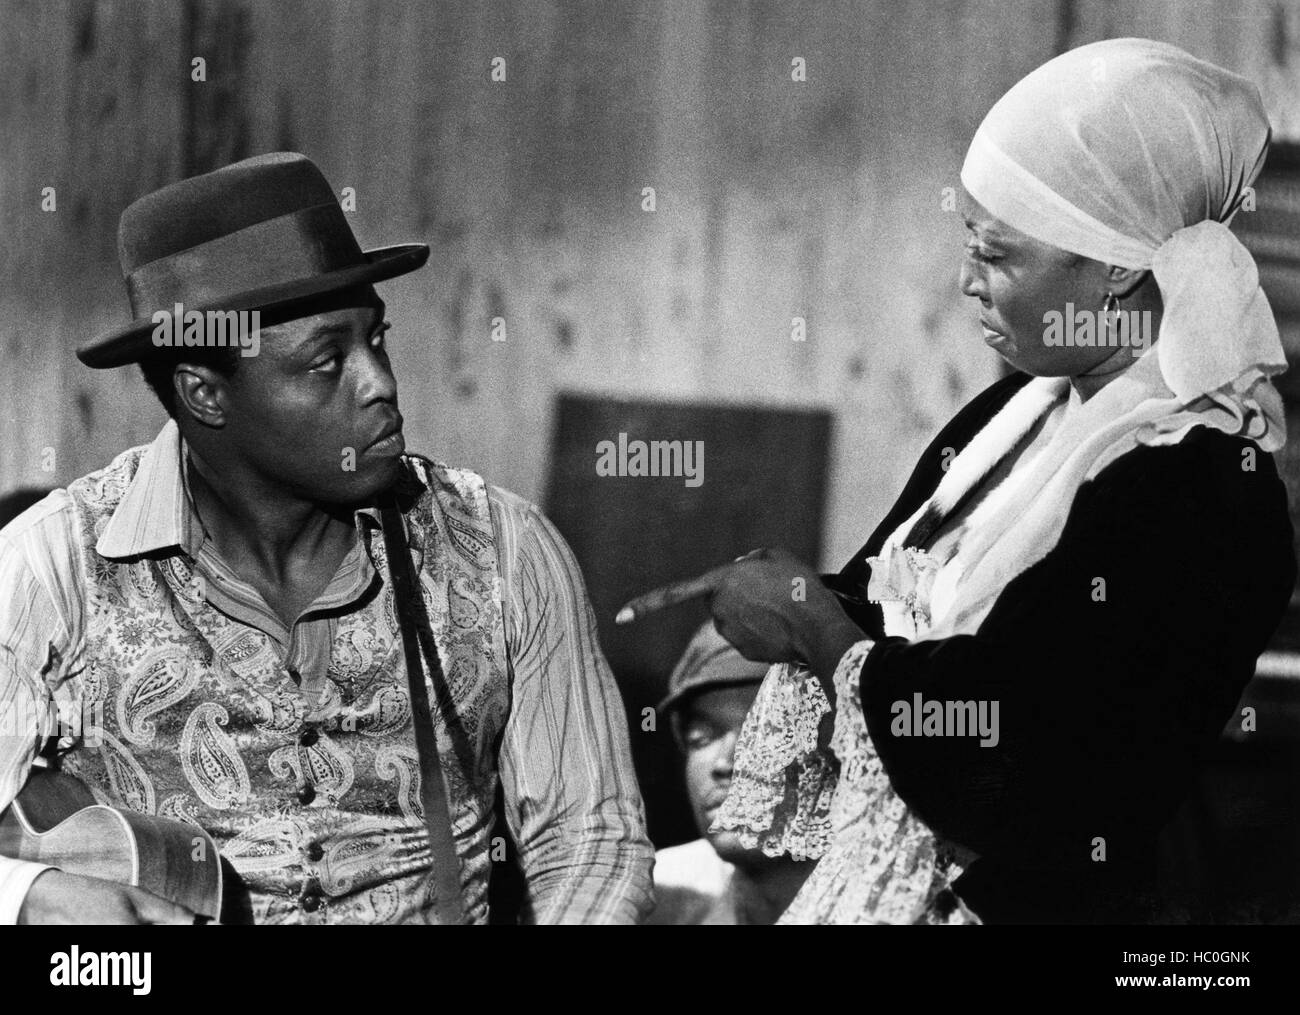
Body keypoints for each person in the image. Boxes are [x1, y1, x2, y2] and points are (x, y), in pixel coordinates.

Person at [619, 38, 1295, 924]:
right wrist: (796, 595)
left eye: (999, 254)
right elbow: (898, 601)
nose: (967, 281)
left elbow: (1013, 748)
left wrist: (817, 630)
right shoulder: (1017, 413)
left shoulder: (1196, 483)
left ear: (1119, 264)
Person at [0, 152, 653, 925]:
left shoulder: (506, 548)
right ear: (204, 393)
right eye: (327, 361)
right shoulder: (52, 566)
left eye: (376, 338)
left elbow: (592, 840)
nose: (379, 381)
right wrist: (31, 898)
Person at [647, 622, 810, 924]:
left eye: (766, 730)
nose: (726, 763)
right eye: (700, 738)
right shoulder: (651, 897)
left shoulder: (903, 896)